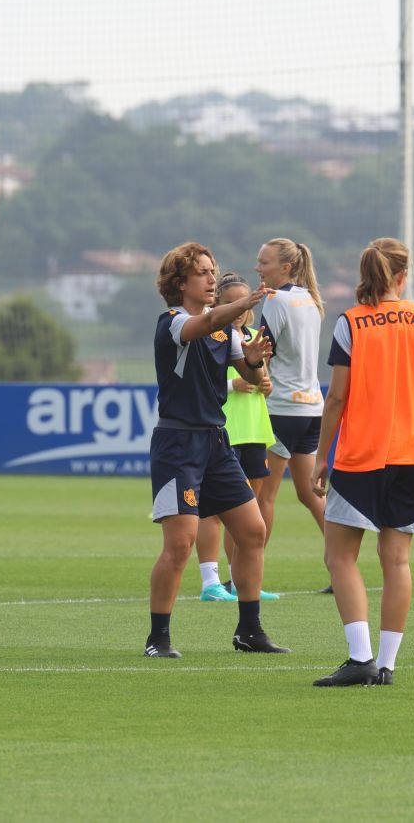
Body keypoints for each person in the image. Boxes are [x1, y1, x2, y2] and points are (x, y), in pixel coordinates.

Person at [311, 238, 414, 686]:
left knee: (340, 556)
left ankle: (360, 659)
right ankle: (387, 665)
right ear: (402, 275)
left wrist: (321, 456)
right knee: (397, 561)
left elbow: (336, 396)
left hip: (364, 452)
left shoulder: (351, 322)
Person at [146, 242, 288, 658]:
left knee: (252, 530)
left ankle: (249, 631)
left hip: (215, 441)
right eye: (203, 272)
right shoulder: (172, 322)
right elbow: (201, 325)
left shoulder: (224, 329)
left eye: (213, 271)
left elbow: (248, 369)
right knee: (179, 545)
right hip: (177, 444)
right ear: (179, 282)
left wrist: (258, 359)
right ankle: (158, 638)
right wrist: (247, 301)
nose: (212, 278)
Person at [195, 272, 280, 603]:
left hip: (255, 428)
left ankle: (239, 581)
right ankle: (210, 582)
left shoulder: (252, 337)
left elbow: (262, 381)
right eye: (231, 302)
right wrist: (234, 384)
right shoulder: (210, 334)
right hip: (227, 429)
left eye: (245, 302)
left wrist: (264, 381)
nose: (240, 309)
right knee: (215, 512)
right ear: (218, 304)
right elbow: (206, 382)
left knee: (249, 512)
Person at [253, 238, 332, 592]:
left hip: (282, 407)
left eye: (264, 263)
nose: (259, 268)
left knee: (263, 496)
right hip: (311, 406)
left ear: (286, 267)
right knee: (309, 493)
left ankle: (248, 575)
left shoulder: (274, 300)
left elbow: (261, 351)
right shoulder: (311, 300)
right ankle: (341, 565)